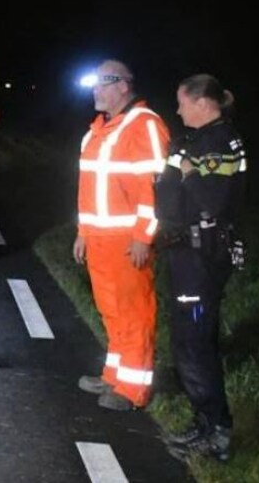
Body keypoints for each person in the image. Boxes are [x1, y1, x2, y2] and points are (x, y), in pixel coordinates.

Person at [155, 74, 245, 462]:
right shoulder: (196, 139)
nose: (178, 110)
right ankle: (204, 423)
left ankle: (216, 432)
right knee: (187, 340)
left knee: (194, 342)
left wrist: (189, 171)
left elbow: (214, 199)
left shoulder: (219, 142)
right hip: (185, 253)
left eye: (182, 103)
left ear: (203, 103)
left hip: (201, 257)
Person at [73, 59, 170, 411]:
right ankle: (114, 375)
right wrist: (83, 232)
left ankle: (133, 389)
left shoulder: (144, 125)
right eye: (94, 83)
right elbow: (88, 192)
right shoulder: (96, 131)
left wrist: (143, 236)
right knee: (111, 311)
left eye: (103, 82)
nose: (95, 90)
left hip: (127, 241)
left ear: (124, 86)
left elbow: (153, 189)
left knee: (133, 312)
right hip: (99, 240)